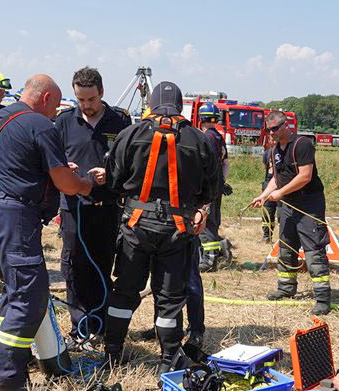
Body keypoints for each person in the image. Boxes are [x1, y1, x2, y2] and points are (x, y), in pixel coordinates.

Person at [0, 74, 93, 391]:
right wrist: (84, 183)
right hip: (14, 214)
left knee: (17, 292)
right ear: (44, 99)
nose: (56, 113)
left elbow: (18, 164)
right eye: (55, 106)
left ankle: (16, 361)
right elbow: (67, 185)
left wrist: (55, 168)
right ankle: (8, 380)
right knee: (29, 296)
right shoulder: (42, 125)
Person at [103, 81, 218, 373]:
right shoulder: (199, 140)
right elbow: (212, 189)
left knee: (124, 291)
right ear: (181, 106)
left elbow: (114, 181)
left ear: (151, 104)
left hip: (136, 225)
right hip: (177, 229)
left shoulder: (129, 135)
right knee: (169, 298)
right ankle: (168, 361)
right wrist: (195, 208)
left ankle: (112, 353)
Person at [54, 67, 132, 348]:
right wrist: (65, 167)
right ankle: (80, 325)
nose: (86, 105)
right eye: (80, 100)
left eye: (90, 99)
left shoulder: (120, 121)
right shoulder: (64, 122)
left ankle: (101, 320)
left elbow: (130, 162)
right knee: (74, 266)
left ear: (102, 93)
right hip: (73, 206)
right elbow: (52, 159)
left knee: (102, 264)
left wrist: (110, 174)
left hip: (106, 205)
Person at [249, 110, 331, 315]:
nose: (271, 133)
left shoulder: (302, 144)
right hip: (287, 205)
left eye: (275, 129)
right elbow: (277, 179)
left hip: (308, 203)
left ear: (286, 126)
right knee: (286, 245)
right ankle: (286, 287)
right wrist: (265, 195)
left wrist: (280, 193)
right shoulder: (275, 150)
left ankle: (322, 297)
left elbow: (305, 176)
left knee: (313, 249)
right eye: (268, 130)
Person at [197, 102, 231, 272]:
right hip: (216, 187)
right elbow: (226, 163)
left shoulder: (205, 138)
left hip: (206, 188)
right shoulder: (218, 137)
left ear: (200, 118)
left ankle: (209, 261)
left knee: (205, 220)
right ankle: (215, 252)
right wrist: (221, 182)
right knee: (213, 220)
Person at [261, 144, 277, 243]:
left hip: (282, 186)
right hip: (268, 184)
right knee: (267, 212)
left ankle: (284, 239)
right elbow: (265, 168)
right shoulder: (267, 153)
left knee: (281, 213)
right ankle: (267, 236)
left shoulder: (287, 152)